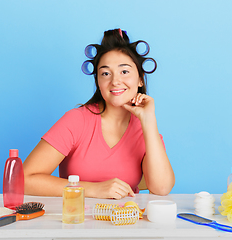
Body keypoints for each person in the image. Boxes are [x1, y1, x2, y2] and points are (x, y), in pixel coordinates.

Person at [23, 29, 175, 200]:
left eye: (124, 71)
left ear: (140, 79)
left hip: (125, 222)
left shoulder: (145, 130)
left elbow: (161, 188)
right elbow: (24, 180)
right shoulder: (76, 120)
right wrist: (93, 189)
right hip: (75, 221)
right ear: (98, 82)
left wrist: (148, 120)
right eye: (105, 73)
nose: (115, 81)